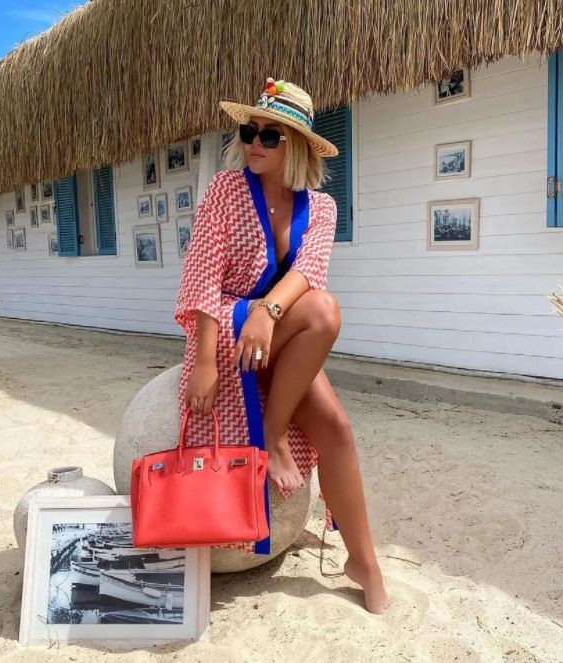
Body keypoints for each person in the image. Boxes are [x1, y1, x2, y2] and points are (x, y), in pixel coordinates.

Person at [174, 77, 388, 614]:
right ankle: (270, 439)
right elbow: (203, 275)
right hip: (225, 330)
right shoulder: (226, 190)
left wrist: (267, 312)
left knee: (336, 425)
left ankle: (363, 561)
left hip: (275, 331)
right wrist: (205, 362)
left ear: (296, 147)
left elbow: (310, 272)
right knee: (322, 311)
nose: (255, 143)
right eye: (250, 131)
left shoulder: (322, 207)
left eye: (271, 136)